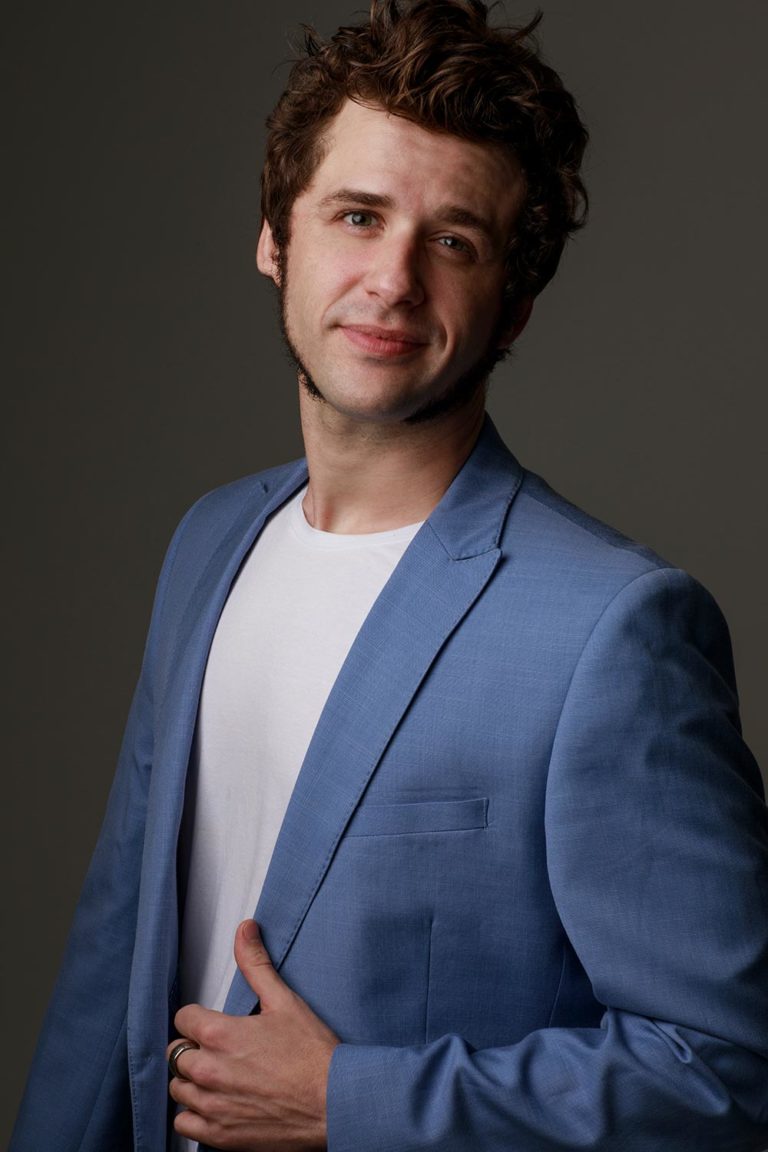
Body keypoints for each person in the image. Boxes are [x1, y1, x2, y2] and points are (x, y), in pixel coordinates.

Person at [11, 1, 768, 1149]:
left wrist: (352, 1101)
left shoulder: (612, 631)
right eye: (357, 217)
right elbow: (112, 954)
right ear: (275, 239)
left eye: (453, 242)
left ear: (513, 309)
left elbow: (729, 1070)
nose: (394, 279)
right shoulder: (210, 542)